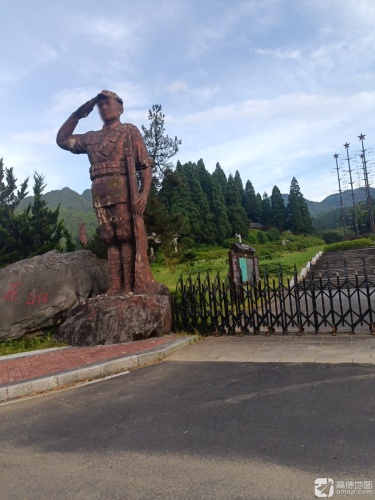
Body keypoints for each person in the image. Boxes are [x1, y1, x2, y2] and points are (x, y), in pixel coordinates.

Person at [56, 90, 153, 295]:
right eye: (100, 105)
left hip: (123, 189)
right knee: (110, 239)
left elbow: (144, 165)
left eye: (108, 103)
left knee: (125, 237)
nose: (104, 108)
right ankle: (115, 286)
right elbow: (62, 140)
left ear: (120, 107)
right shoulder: (92, 138)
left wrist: (144, 193)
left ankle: (129, 286)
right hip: (99, 191)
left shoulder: (129, 131)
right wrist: (77, 115)